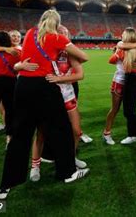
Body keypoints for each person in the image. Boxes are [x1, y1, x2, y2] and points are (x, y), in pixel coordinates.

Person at [0, 9, 89, 200]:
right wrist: (64, 47)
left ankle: (5, 186)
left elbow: (24, 60)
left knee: (20, 134)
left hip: (22, 86)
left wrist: (21, 66)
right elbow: (84, 56)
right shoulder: (57, 38)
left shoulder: (30, 33)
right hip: (45, 86)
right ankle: (68, 173)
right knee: (61, 128)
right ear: (57, 23)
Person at [29, 25, 89, 182]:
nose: (62, 35)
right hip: (48, 98)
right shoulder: (45, 52)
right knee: (42, 133)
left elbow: (80, 74)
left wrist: (60, 79)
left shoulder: (69, 54)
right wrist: (19, 66)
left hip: (68, 96)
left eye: (65, 33)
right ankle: (35, 166)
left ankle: (71, 158)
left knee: (76, 131)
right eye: (59, 33)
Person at [102, 37, 136, 145]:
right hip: (119, 82)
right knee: (115, 109)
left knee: (130, 110)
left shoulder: (132, 50)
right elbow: (111, 60)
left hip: (129, 82)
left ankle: (134, 134)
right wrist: (118, 54)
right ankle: (107, 133)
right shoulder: (121, 47)